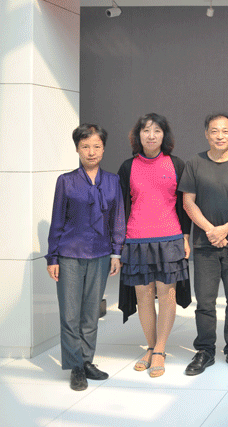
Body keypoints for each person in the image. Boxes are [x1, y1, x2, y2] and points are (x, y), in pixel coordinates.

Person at [47, 124, 125, 391]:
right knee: (70, 314)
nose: (91, 152)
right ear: (77, 149)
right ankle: (75, 367)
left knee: (91, 313)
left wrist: (116, 252)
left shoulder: (112, 181)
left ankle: (87, 360)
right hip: (69, 254)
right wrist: (52, 257)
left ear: (103, 148)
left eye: (96, 146)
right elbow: (57, 220)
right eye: (85, 146)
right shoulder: (66, 181)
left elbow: (117, 219)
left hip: (101, 254)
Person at [181, 114, 228, 375]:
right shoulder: (194, 163)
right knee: (204, 301)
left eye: (225, 131)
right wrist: (211, 230)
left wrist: (226, 228)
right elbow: (188, 202)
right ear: (206, 134)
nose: (220, 136)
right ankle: (205, 350)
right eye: (214, 131)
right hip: (205, 245)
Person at [118, 113, 192, 378]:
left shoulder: (176, 164)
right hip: (136, 239)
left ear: (164, 135)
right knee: (143, 296)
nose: (151, 136)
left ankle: (160, 349)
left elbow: (185, 204)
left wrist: (185, 237)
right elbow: (120, 207)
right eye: (146, 131)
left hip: (169, 237)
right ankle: (150, 346)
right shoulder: (127, 167)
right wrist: (118, 243)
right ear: (138, 135)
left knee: (167, 294)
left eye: (157, 131)